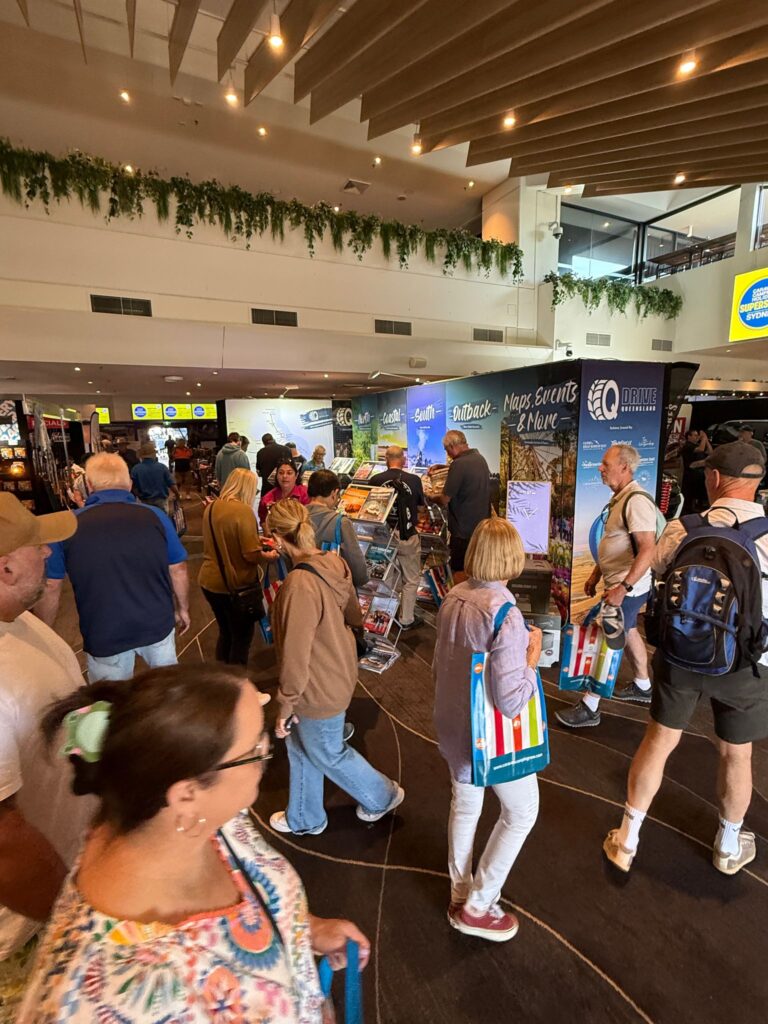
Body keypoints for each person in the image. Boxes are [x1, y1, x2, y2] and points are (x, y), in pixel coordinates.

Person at [18, 663, 370, 1023]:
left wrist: (305, 929)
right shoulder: (102, 999)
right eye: (256, 750)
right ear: (187, 793)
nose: (267, 756)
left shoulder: (198, 817)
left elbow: (253, 889)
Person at [603, 442, 768, 876]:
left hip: (680, 654)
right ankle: (729, 846)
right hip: (746, 666)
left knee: (658, 741)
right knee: (737, 755)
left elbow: (656, 571)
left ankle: (627, 838)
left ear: (713, 479)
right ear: (757, 482)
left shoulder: (682, 529)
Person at [0, 495, 94, 1020]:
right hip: (27, 927)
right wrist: (76, 920)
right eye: (39, 544)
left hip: (65, 883)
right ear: (7, 565)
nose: (50, 549)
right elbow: (3, 841)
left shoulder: (18, 618)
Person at [266, 499, 404, 835]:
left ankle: (382, 795)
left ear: (279, 539)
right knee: (302, 746)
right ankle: (304, 815)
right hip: (338, 669)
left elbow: (296, 653)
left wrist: (285, 703)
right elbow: (354, 615)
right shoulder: (332, 563)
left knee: (328, 751)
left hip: (317, 684)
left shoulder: (299, 586)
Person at [433, 517, 541, 942]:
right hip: (491, 735)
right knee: (520, 812)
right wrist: (532, 656)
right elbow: (512, 698)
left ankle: (461, 893)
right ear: (512, 557)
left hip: (452, 720)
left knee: (466, 805)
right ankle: (479, 905)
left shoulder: (453, 596)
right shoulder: (507, 616)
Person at [39, 453, 190, 682]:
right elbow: (178, 569)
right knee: (169, 690)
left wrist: (44, 635)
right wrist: (183, 609)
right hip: (156, 621)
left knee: (108, 705)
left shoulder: (67, 525)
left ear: (89, 485)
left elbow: (51, 585)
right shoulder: (156, 516)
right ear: (129, 483)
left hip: (104, 629)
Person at [556, 444, 658, 729]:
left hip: (627, 587)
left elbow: (648, 549)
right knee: (628, 631)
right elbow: (614, 542)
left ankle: (591, 705)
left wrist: (623, 587)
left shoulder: (636, 501)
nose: (600, 468)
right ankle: (642, 684)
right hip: (621, 584)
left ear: (624, 467)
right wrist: (595, 575)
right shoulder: (619, 499)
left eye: (605, 463)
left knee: (608, 640)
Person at [199, 468, 279, 665]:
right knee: (242, 638)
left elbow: (224, 538)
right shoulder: (243, 511)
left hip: (210, 580)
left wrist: (253, 539)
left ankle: (223, 679)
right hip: (236, 585)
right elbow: (250, 555)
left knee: (226, 633)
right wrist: (269, 557)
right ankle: (238, 685)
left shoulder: (212, 506)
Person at [369, 445, 426, 630]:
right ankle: (406, 619)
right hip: (407, 535)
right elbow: (420, 508)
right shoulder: (414, 480)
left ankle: (386, 615)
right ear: (403, 460)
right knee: (411, 579)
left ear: (386, 459)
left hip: (382, 536)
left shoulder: (375, 480)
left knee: (387, 576)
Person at [429, 430, 491, 582]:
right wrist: (443, 467)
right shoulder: (479, 459)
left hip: (462, 532)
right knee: (475, 569)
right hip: (480, 528)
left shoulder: (459, 464)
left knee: (460, 571)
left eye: (446, 450)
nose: (447, 454)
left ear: (452, 446)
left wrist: (429, 495)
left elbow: (444, 499)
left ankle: (460, 603)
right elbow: (466, 475)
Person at [306, 469, 368, 588]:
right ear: (334, 493)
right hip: (331, 590)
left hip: (302, 586)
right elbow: (357, 565)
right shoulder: (341, 523)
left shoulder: (295, 517)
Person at [259, 460, 310, 528]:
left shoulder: (306, 494)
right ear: (276, 475)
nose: (285, 476)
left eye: (289, 473)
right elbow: (263, 521)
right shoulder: (267, 498)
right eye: (281, 473)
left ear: (296, 475)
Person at [130, 441, 178, 513]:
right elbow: (171, 484)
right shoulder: (162, 467)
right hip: (161, 500)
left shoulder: (135, 469)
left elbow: (133, 487)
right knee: (162, 521)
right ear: (154, 455)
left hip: (144, 501)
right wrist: (177, 494)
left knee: (147, 521)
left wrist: (139, 496)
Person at [679, 429, 711, 514]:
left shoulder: (697, 445)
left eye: (697, 435)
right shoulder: (688, 446)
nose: (697, 437)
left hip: (700, 473)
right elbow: (700, 449)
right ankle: (688, 509)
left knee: (699, 493)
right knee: (690, 494)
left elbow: (710, 452)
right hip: (691, 474)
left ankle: (698, 505)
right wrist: (703, 437)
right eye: (695, 435)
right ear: (689, 437)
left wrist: (706, 440)